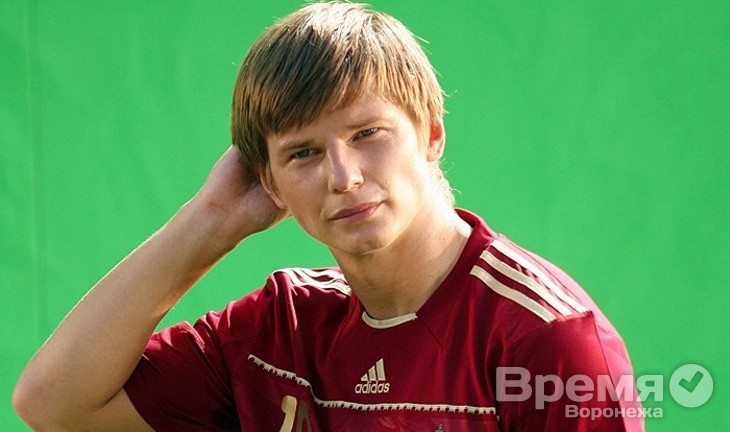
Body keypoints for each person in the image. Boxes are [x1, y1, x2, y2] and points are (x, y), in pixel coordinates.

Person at [13, 2, 644, 431]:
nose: (343, 177)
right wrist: (209, 220)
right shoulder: (279, 332)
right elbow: (53, 404)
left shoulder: (546, 337)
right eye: (304, 153)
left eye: (368, 133)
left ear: (431, 134)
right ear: (269, 182)